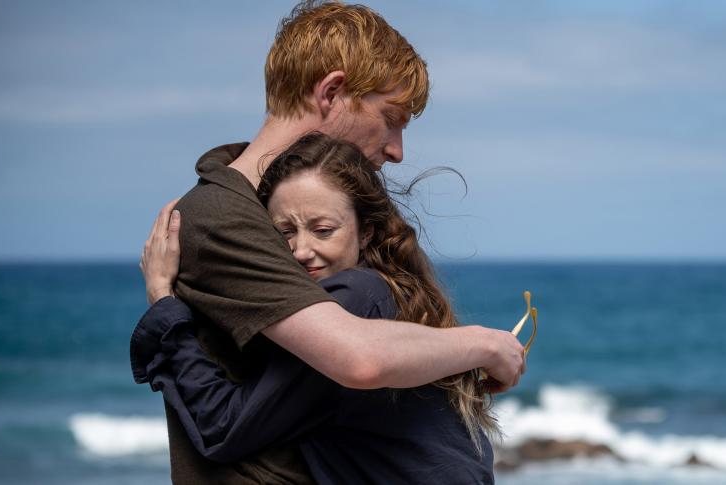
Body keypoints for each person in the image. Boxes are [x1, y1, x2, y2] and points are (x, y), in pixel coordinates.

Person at [136, 2, 524, 482]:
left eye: (321, 230)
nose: (397, 150)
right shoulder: (222, 217)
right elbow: (357, 358)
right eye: (392, 117)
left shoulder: (312, 202)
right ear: (332, 92)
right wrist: (483, 344)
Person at [133, 133, 496, 484]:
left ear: (365, 233)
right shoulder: (395, 297)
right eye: (284, 232)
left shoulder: (356, 296)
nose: (302, 250)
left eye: (323, 230)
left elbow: (224, 427)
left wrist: (164, 301)